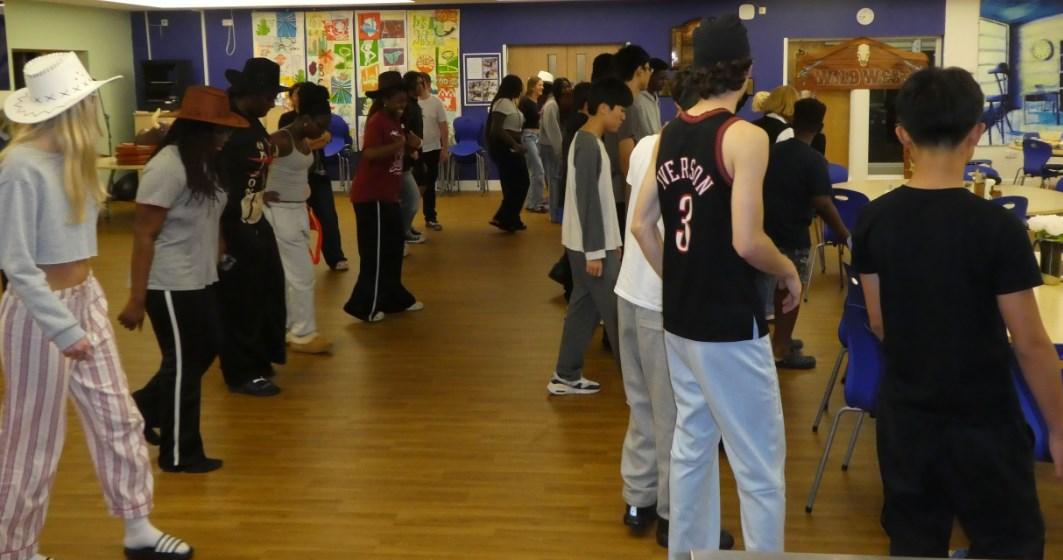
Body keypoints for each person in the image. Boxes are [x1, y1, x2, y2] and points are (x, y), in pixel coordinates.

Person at [852, 66, 1063, 558]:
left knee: (914, 542)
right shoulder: (998, 228)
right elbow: (1031, 344)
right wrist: (1058, 426)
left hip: (907, 417)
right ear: (977, 133)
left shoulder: (874, 219)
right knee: (1008, 542)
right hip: (984, 420)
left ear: (902, 135)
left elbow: (879, 321)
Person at [0, 51, 194, 560]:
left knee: (119, 418)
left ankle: (137, 528)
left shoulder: (76, 157)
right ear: (73, 106)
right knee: (32, 440)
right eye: (90, 98)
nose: (97, 107)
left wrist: (87, 310)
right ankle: (15, 549)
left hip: (84, 299)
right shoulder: (19, 167)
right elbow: (16, 265)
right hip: (38, 315)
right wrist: (63, 329)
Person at [630, 15, 798, 557]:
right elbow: (748, 241)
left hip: (681, 320)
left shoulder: (668, 135)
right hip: (729, 323)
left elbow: (641, 226)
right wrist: (788, 269)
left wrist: (680, 279)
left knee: (693, 446)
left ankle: (688, 552)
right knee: (759, 463)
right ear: (746, 72)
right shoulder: (745, 136)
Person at [615, 79, 735, 551]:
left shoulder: (646, 145)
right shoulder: (702, 150)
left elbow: (638, 209)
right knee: (675, 415)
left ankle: (638, 498)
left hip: (629, 290)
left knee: (642, 404)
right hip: (659, 297)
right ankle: (672, 515)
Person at [118, 86, 247, 475]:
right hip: (169, 282)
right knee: (184, 365)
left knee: (205, 350)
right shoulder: (167, 166)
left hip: (200, 276)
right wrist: (137, 298)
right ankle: (179, 454)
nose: (226, 137)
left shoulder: (206, 163)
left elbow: (212, 214)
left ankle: (141, 408)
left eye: (227, 130)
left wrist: (220, 252)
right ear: (197, 129)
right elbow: (144, 234)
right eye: (219, 130)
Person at [546, 78, 632, 396]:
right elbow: (587, 200)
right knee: (619, 316)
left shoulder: (591, 141)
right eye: (621, 110)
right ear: (604, 108)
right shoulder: (587, 144)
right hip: (591, 248)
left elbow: (600, 199)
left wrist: (614, 241)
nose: (623, 116)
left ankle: (565, 375)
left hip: (591, 244)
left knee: (583, 310)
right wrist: (596, 251)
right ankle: (638, 390)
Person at [216, 58, 289, 397]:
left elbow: (252, 168)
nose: (272, 103)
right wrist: (221, 237)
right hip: (233, 225)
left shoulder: (252, 122)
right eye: (269, 96)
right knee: (241, 300)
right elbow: (218, 181)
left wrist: (260, 191)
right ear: (250, 93)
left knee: (268, 291)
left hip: (255, 219)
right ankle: (241, 371)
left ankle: (259, 358)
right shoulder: (227, 127)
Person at [759, 98, 848, 370]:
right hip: (793, 234)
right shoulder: (814, 160)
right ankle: (781, 350)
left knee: (772, 291)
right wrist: (844, 233)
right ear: (820, 127)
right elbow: (822, 202)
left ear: (792, 121)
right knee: (790, 292)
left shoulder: (772, 151)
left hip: (765, 231)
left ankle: (778, 340)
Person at [343, 71, 423, 323]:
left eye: (404, 101)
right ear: (385, 100)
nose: (402, 105)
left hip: (388, 196)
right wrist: (400, 145)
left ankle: (392, 297)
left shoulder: (396, 122)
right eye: (398, 101)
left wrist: (411, 145)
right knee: (376, 253)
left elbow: (401, 151)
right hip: (372, 197)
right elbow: (369, 154)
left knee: (393, 249)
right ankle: (364, 305)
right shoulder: (377, 121)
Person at [265, 83, 334, 355]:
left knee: (288, 276)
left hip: (295, 211)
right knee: (302, 276)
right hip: (280, 213)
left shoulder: (303, 140)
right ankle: (303, 334)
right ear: (305, 119)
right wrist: (260, 193)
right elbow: (250, 167)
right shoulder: (279, 140)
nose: (322, 131)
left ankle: (286, 328)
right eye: (320, 124)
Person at [279, 83, 349, 271]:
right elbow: (303, 145)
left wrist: (316, 141)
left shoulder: (319, 118)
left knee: (328, 216)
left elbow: (327, 138)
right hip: (296, 181)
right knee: (296, 222)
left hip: (318, 175)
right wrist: (317, 141)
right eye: (295, 94)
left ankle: (335, 256)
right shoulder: (287, 123)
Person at [487, 75, 529, 232]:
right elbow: (496, 129)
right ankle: (503, 217)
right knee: (520, 183)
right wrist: (514, 144)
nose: (521, 90)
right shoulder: (502, 103)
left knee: (515, 184)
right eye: (519, 86)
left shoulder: (510, 103)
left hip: (512, 148)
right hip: (506, 149)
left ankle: (512, 218)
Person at [615, 44, 656, 184]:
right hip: (629, 187)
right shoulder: (628, 105)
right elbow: (626, 160)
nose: (650, 73)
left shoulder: (633, 102)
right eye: (649, 69)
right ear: (639, 70)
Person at [417, 72, 449, 231]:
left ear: (428, 85)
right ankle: (407, 220)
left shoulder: (436, 103)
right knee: (414, 186)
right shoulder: (411, 103)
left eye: (421, 83)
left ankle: (430, 217)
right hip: (415, 151)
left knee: (429, 185)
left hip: (433, 149)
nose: (419, 87)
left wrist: (445, 148)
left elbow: (443, 127)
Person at [400, 71, 426, 245]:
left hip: (413, 155)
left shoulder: (414, 104)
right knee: (412, 198)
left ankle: (406, 226)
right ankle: (403, 231)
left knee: (413, 195)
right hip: (406, 158)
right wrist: (410, 150)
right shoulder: (408, 106)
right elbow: (405, 132)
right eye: (419, 83)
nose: (422, 87)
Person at [542, 77, 571, 224]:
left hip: (555, 146)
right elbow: (553, 131)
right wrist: (561, 151)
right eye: (563, 87)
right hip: (550, 147)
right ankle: (554, 214)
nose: (567, 89)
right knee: (554, 180)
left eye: (568, 86)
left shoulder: (558, 104)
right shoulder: (552, 105)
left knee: (556, 180)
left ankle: (556, 212)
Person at [520, 75, 548, 213]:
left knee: (534, 172)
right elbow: (521, 120)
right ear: (532, 87)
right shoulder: (525, 101)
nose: (542, 87)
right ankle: (537, 203)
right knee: (539, 170)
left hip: (537, 137)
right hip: (528, 137)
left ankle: (532, 202)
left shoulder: (538, 101)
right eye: (540, 85)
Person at [644, 58, 670, 132]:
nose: (664, 82)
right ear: (650, 76)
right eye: (661, 78)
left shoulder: (655, 98)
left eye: (666, 79)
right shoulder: (639, 100)